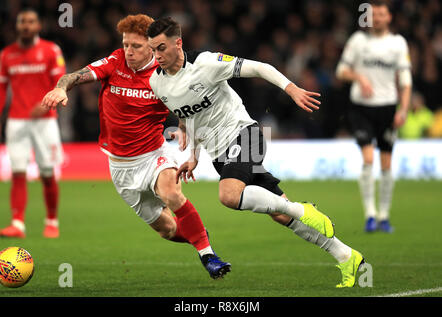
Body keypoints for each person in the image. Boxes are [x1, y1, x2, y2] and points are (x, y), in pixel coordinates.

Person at [147, 17, 365, 288]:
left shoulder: (205, 63)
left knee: (229, 195)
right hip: (219, 154)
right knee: (280, 214)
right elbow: (189, 115)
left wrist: (291, 88)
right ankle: (345, 255)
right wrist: (193, 155)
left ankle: (302, 209)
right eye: (153, 50)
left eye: (161, 48)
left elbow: (260, 67)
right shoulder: (158, 84)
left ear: (178, 43)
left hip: (244, 134)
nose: (156, 56)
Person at [41, 14, 230, 279]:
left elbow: (187, 105)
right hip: (120, 167)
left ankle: (208, 255)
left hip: (154, 154)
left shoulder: (165, 75)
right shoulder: (115, 61)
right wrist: (62, 88)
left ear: (152, 47)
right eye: (126, 44)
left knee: (171, 194)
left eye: (136, 46)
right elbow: (73, 76)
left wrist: (186, 127)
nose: (128, 51)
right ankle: (197, 235)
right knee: (168, 230)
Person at [336, 0, 412, 233]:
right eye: (373, 14)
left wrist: (403, 109)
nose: (377, 18)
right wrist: (359, 77)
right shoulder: (358, 41)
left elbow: (405, 81)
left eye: (381, 14)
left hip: (388, 108)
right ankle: (370, 214)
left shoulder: (398, 44)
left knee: (387, 165)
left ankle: (384, 216)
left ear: (389, 18)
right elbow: (341, 71)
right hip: (361, 108)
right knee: (369, 159)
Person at [0, 8, 65, 239]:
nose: (26, 25)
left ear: (38, 25)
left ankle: (51, 221)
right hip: (16, 121)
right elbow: (1, 89)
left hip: (45, 122)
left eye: (31, 21)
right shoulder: (7, 55)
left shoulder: (51, 50)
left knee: (46, 173)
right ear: (17, 26)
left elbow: (61, 82)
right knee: (18, 172)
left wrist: (45, 105)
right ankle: (17, 224)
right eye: (22, 22)